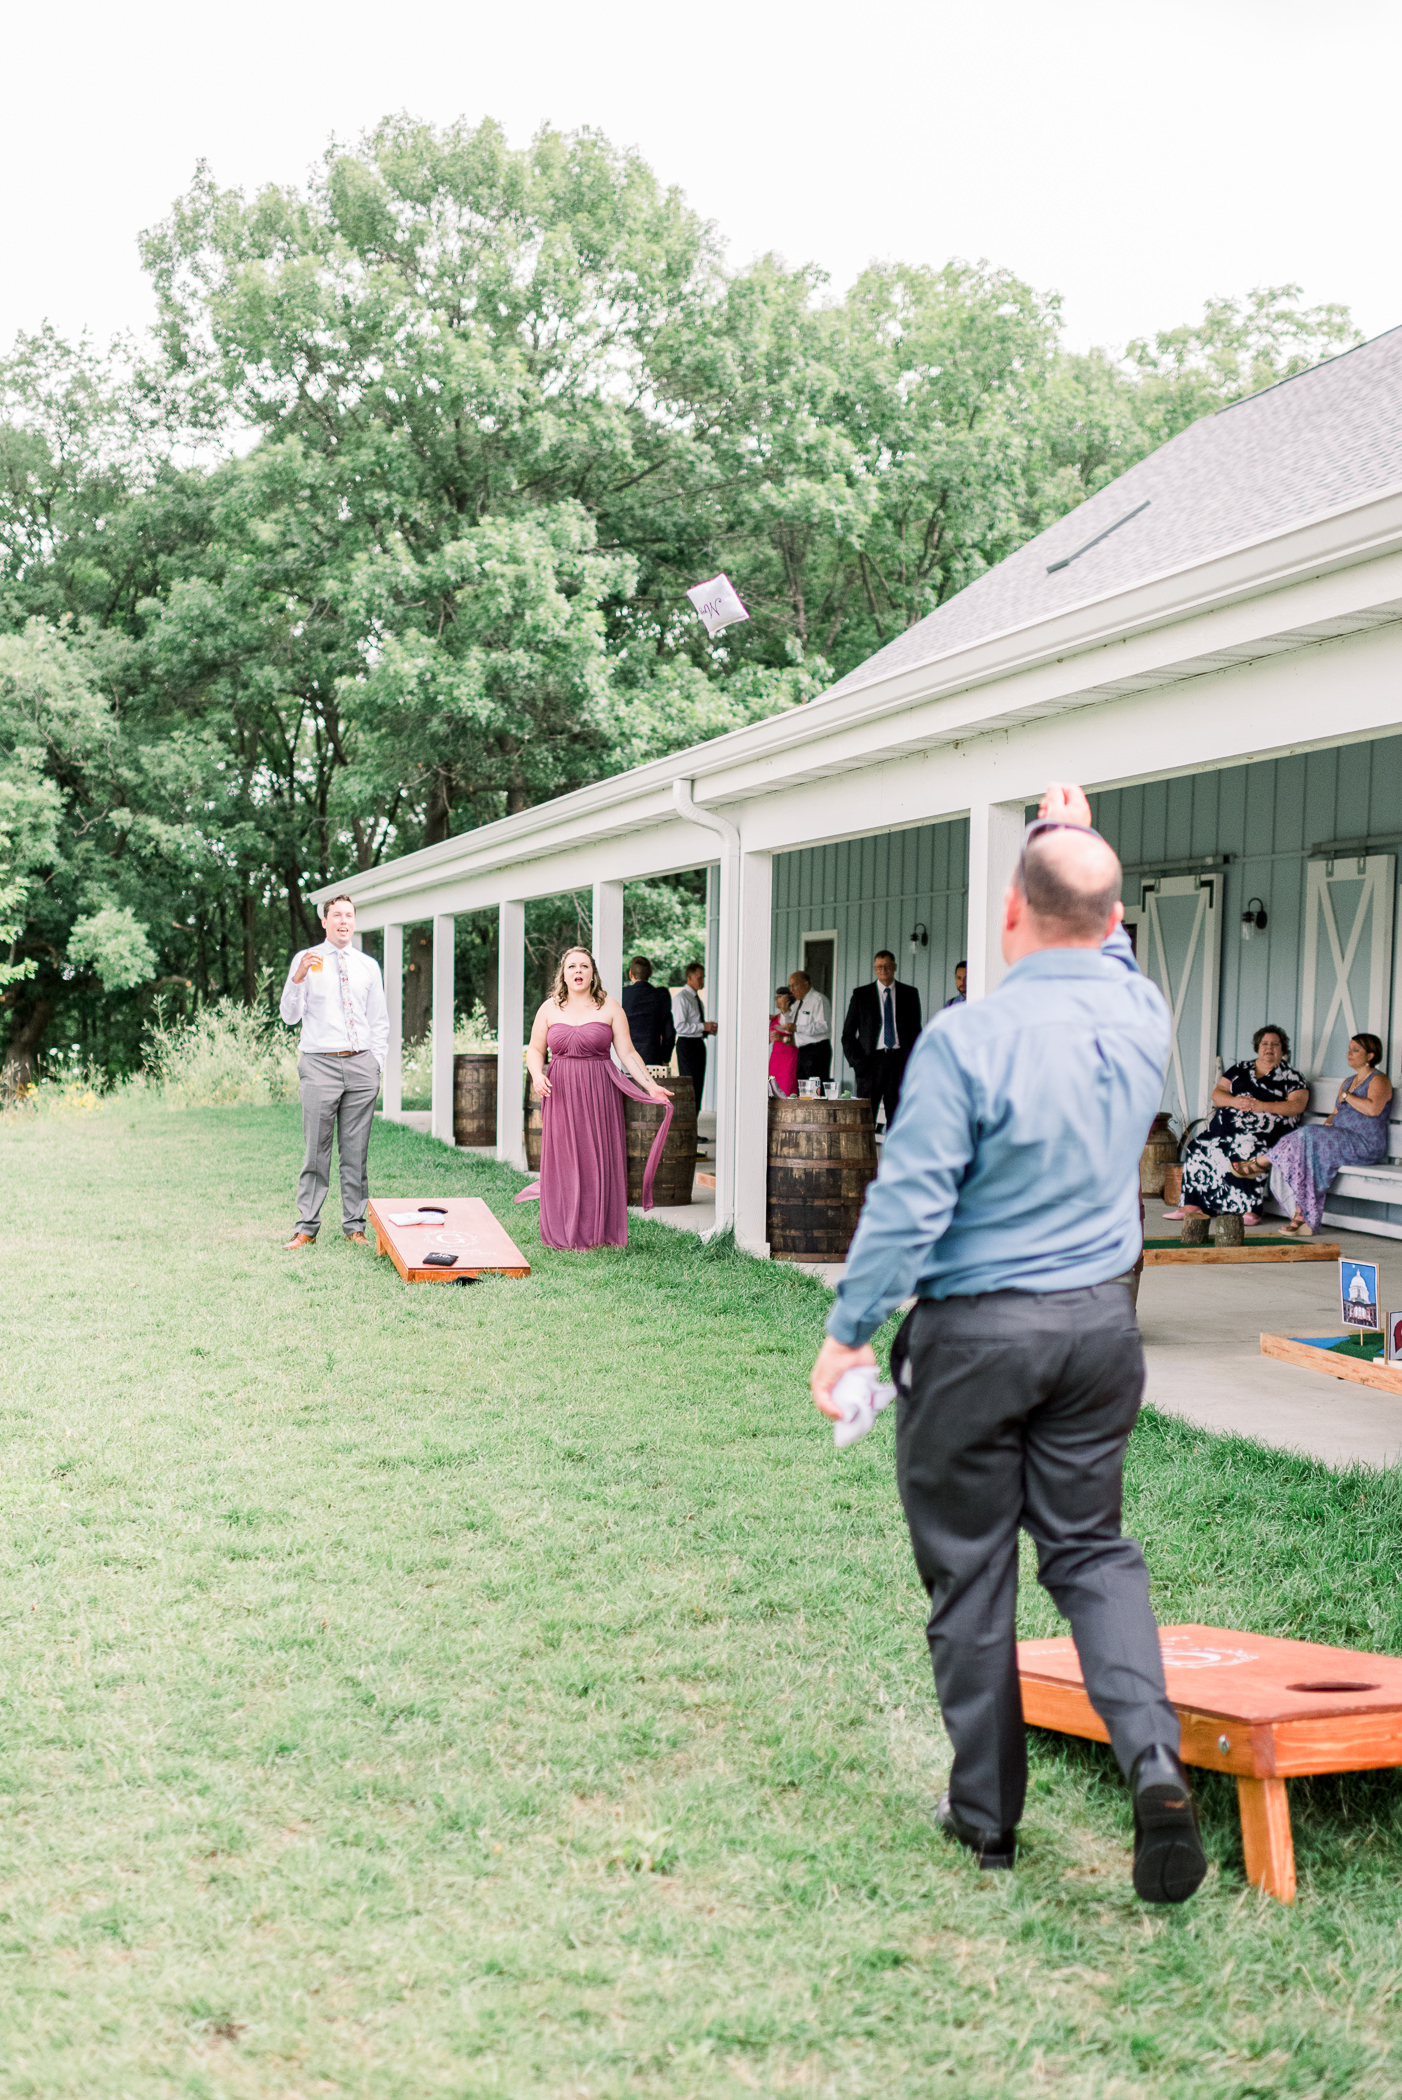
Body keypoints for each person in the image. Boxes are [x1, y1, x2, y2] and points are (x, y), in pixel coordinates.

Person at [809, 782, 1206, 1906]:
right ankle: (1152, 1763)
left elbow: (906, 1205)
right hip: (1098, 1330)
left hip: (979, 1338)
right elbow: (1098, 924)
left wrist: (847, 1335)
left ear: (1008, 920)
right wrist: (1062, 836)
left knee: (973, 1576)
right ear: (1112, 919)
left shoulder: (968, 1036)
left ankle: (986, 1821)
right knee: (1091, 1552)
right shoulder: (1141, 1013)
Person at [519, 947, 673, 1251]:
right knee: (564, 1159)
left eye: (584, 966)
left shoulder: (610, 1007)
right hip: (560, 1091)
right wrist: (538, 1076)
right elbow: (536, 1050)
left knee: (597, 1158)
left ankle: (598, 1231)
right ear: (563, 973)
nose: (578, 971)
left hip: (599, 1093)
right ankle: (562, 1230)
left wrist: (650, 1086)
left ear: (593, 973)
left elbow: (627, 1053)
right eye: (572, 966)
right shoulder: (549, 1008)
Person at [279, 893, 389, 1249]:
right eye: (336, 915)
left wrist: (376, 1064)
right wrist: (297, 979)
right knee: (316, 1150)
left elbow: (379, 1021)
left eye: (349, 915)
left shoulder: (368, 966)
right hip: (319, 1064)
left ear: (354, 922)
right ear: (324, 922)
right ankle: (306, 1228)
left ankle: (354, 1227)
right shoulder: (306, 960)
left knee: (356, 1151)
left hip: (360, 1066)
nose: (343, 921)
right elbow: (289, 1016)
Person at [1166, 1026, 1308, 1225]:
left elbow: (1297, 1105)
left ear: (1283, 1049)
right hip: (1228, 1129)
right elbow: (1217, 1094)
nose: (1269, 1048)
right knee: (1199, 1145)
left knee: (1247, 1145)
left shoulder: (1291, 1076)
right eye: (1265, 1043)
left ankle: (1249, 1209)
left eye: (1275, 1044)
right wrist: (1234, 1102)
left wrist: (1262, 1106)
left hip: (1268, 1132)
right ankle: (1192, 1205)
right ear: (1257, 1047)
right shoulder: (1240, 1069)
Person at [1267, 1034, 1393, 1236]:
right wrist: (1329, 1123)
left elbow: (1373, 1109)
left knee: (1307, 1135)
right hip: (1341, 1139)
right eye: (1349, 1048)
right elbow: (1335, 1114)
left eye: (1355, 1050)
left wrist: (1347, 1097)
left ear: (1370, 1055)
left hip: (1364, 1143)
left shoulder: (1379, 1080)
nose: (1349, 1054)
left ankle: (1265, 1161)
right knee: (1307, 1150)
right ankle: (1302, 1216)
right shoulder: (1348, 1081)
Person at [842, 950, 923, 1127]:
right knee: (865, 1119)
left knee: (899, 1117)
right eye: (879, 967)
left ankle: (895, 1155)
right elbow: (847, 1035)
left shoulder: (909, 994)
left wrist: (913, 1062)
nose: (883, 970)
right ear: (874, 969)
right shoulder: (861, 995)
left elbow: (916, 1032)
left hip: (899, 1062)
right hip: (870, 1063)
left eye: (887, 966)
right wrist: (858, 1063)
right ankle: (866, 1156)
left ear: (894, 967)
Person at [672, 960, 717, 1108]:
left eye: (703, 977)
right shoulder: (681, 999)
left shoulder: (697, 1000)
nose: (702, 981)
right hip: (687, 1045)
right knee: (689, 1085)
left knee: (698, 1085)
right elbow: (679, 1027)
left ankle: (695, 1124)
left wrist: (706, 1030)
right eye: (699, 977)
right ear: (689, 977)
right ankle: (688, 1123)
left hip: (698, 1044)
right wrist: (703, 1026)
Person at [620, 956, 675, 1071]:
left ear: (630, 974)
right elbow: (669, 1034)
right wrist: (665, 1058)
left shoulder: (622, 995)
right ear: (650, 973)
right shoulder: (661, 996)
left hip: (625, 1058)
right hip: (653, 1058)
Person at [789, 969, 832, 1088]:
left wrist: (797, 1028)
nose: (791, 990)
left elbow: (823, 1026)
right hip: (802, 1051)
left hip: (817, 1050)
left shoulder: (818, 999)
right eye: (790, 986)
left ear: (805, 984)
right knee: (802, 1089)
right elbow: (788, 1019)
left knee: (815, 1089)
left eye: (794, 985)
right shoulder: (798, 1003)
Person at [769, 986, 799, 1096]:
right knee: (773, 1088)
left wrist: (781, 1038)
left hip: (789, 1058)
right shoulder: (775, 1018)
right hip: (776, 1059)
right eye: (776, 997)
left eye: (779, 997)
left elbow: (798, 1039)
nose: (776, 1000)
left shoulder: (794, 1017)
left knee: (787, 1087)